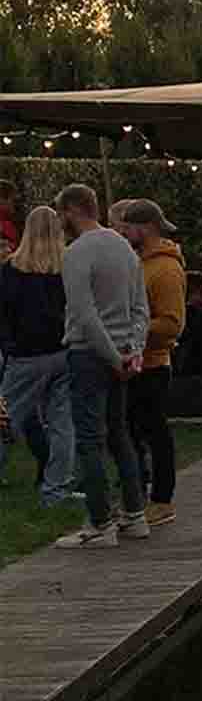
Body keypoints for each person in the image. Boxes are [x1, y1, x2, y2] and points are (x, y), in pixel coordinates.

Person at [54, 182, 149, 549]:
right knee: (119, 433)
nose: (61, 220)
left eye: (61, 213)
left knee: (91, 440)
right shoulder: (124, 247)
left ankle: (99, 522)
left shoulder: (77, 252)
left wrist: (112, 355)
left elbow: (84, 313)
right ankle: (135, 513)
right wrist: (133, 351)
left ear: (73, 211)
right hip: (124, 351)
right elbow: (140, 306)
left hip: (91, 354)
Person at [0, 203, 79, 504]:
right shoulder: (68, 267)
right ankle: (56, 488)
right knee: (62, 423)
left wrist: (9, 346)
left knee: (6, 421)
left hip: (24, 357)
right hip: (63, 350)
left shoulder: (11, 270)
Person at [116, 199, 185, 527]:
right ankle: (137, 496)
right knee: (130, 431)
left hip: (154, 362)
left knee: (156, 432)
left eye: (127, 227)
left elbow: (173, 323)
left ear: (145, 228)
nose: (123, 233)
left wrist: (131, 326)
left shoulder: (166, 269)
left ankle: (162, 499)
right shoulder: (138, 263)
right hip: (132, 360)